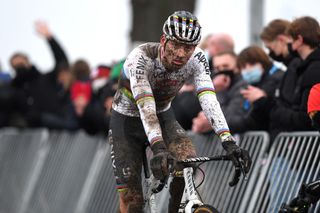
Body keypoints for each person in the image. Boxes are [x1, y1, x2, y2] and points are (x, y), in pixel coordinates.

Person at [108, 11, 252, 213]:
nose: (181, 54)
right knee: (132, 201)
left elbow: (209, 99)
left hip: (163, 115)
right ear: (163, 41)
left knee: (187, 161)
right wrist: (158, 148)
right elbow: (146, 108)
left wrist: (228, 141)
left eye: (188, 47)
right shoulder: (140, 58)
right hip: (127, 121)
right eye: (175, 45)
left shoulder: (198, 58)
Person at [247, 16, 320, 141]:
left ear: (299, 40)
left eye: (291, 40)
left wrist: (268, 105)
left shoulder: (312, 69)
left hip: (302, 144)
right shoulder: (302, 66)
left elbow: (304, 117)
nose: (289, 44)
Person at [10, 21, 77, 130]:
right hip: (35, 138)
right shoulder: (15, 90)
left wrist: (50, 38)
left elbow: (62, 61)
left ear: (28, 63)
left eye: (21, 64)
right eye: (16, 66)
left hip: (60, 126)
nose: (20, 68)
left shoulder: (45, 78)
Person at [192, 51, 248, 134]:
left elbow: (230, 117)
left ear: (237, 66)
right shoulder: (216, 85)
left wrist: (219, 90)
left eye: (225, 66)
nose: (221, 71)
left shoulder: (243, 86)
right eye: (217, 68)